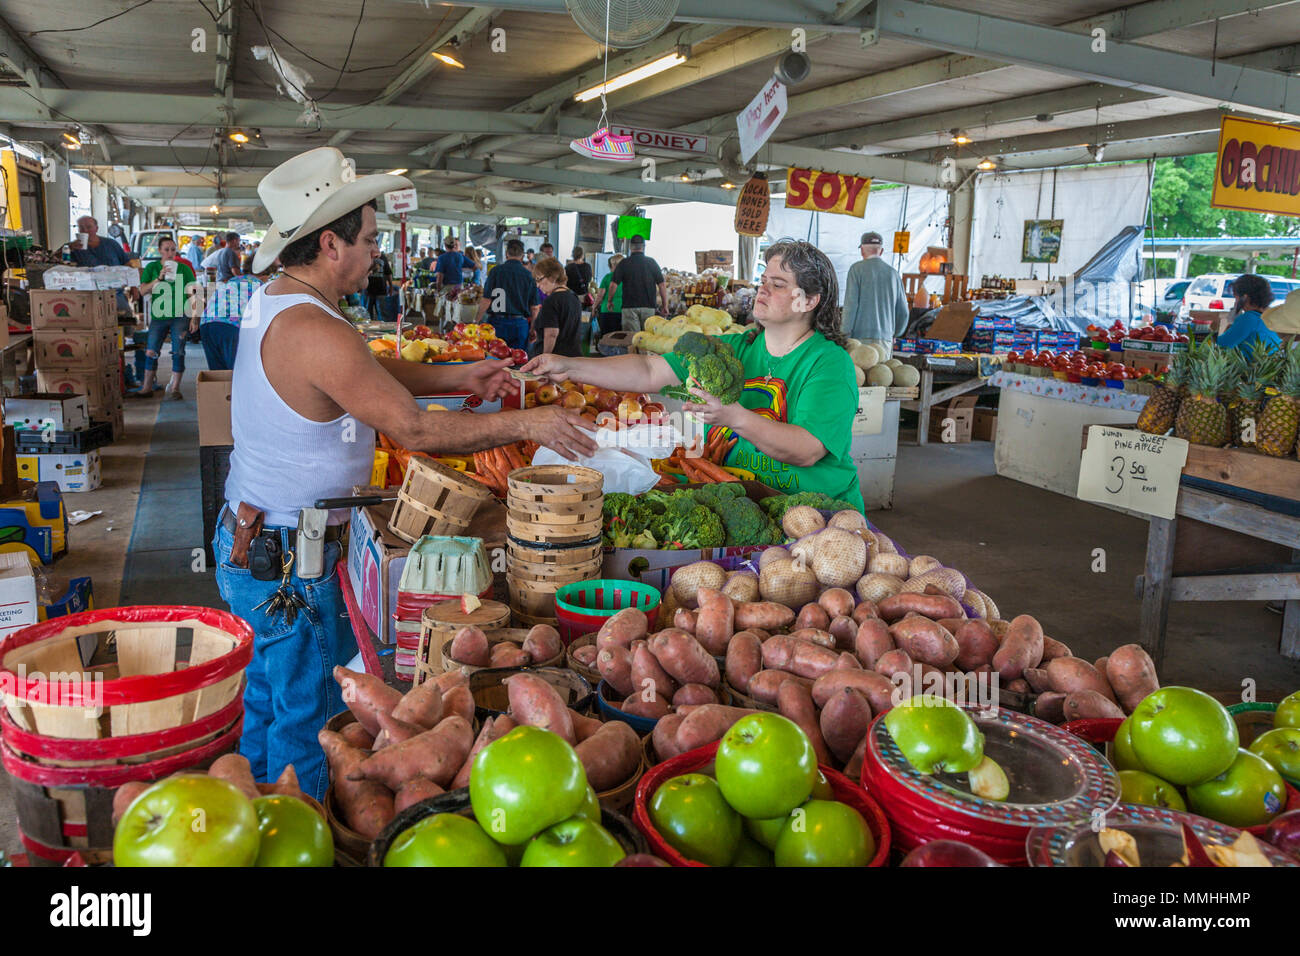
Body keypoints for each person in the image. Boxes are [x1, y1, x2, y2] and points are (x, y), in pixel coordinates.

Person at [214, 147, 597, 801]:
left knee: (269, 698)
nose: (375, 255)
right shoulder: (313, 326)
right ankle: (295, 824)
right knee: (306, 721)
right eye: (367, 241)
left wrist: (456, 375)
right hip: (286, 557)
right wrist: (528, 425)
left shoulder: (282, 301)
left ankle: (248, 805)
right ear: (329, 243)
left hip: (255, 537)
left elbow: (360, 375)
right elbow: (415, 431)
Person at [526, 239, 863, 510]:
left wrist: (734, 417)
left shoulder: (828, 363)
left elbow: (806, 449)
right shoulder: (733, 347)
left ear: (809, 301)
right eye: (763, 282)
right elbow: (648, 369)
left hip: (817, 517)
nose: (762, 291)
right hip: (740, 503)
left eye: (777, 285)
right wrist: (569, 365)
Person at [134, 236, 197, 399]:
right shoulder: (152, 268)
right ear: (160, 250)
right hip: (159, 315)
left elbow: (192, 293)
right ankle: (146, 387)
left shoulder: (184, 269)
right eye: (167, 249)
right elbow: (142, 291)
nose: (170, 253)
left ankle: (175, 388)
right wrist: (159, 278)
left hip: (180, 314)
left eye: (173, 250)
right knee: (151, 350)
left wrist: (194, 316)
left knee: (178, 351)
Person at [841, 231, 909, 361]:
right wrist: (895, 333)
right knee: (883, 378)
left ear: (862, 250)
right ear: (881, 251)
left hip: (859, 340)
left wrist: (844, 334)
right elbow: (904, 312)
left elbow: (851, 305)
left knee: (860, 379)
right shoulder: (893, 274)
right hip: (885, 339)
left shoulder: (856, 270)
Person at [198, 259, 270, 370]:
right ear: (264, 275)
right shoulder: (260, 286)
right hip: (230, 325)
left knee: (218, 373)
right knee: (236, 371)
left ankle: (216, 388)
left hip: (206, 322)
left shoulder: (233, 280)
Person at [476, 238, 540, 350]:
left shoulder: (496, 271)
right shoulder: (529, 275)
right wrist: (533, 328)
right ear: (522, 256)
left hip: (496, 323)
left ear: (506, 254)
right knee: (517, 361)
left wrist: (476, 321)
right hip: (519, 324)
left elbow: (486, 300)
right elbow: (534, 307)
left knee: (493, 360)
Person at [70, 215, 135, 315]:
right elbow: (57, 262)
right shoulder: (73, 248)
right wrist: (67, 248)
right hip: (87, 297)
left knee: (125, 324)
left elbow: (128, 265)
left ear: (96, 228)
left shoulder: (111, 244)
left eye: (89, 227)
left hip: (115, 295)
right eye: (81, 227)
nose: (85, 230)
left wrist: (134, 287)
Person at [608, 235, 666, 333]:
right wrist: (665, 305)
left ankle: (633, 349)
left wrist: (610, 300)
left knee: (632, 339)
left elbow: (613, 285)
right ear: (643, 246)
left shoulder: (624, 263)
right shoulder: (651, 262)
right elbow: (662, 285)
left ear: (630, 247)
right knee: (647, 339)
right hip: (649, 307)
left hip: (629, 308)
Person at [533, 257, 583, 357]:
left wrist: (544, 358)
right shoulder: (574, 297)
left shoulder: (551, 301)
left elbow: (551, 334)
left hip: (556, 359)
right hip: (573, 357)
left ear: (552, 277)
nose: (537, 285)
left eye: (539, 280)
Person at [1219, 274, 1282, 352]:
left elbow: (1222, 345)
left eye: (1236, 298)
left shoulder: (1248, 318)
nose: (1235, 302)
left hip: (1250, 363)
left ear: (1244, 298)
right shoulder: (1271, 315)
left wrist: (1229, 324)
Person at [591, 253, 624, 341]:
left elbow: (600, 295)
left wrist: (594, 307)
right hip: (622, 310)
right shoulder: (627, 278)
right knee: (620, 337)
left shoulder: (607, 277)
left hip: (607, 310)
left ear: (613, 265)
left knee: (607, 337)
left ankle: (607, 354)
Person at [363, 253, 391, 320]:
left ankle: (383, 329)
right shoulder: (365, 255)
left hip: (381, 290)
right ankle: (368, 330)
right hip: (368, 290)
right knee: (367, 313)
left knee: (382, 313)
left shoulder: (383, 257)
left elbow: (388, 272)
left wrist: (391, 286)